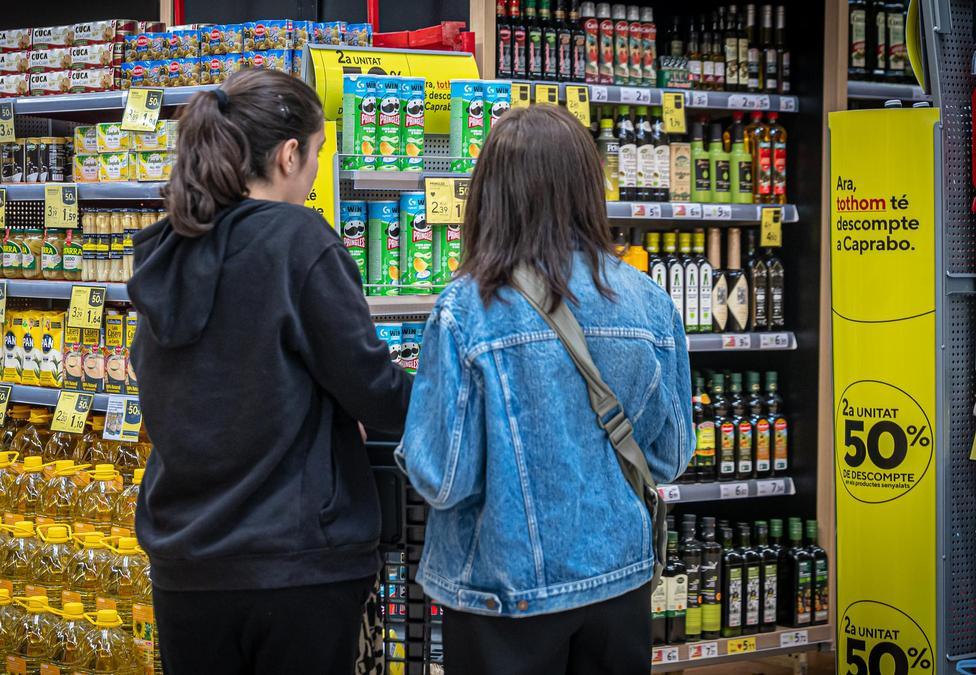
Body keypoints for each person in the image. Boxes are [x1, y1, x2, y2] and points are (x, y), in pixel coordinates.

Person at [127, 69, 413, 674]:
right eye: (314, 157)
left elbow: (179, 386)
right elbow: (374, 389)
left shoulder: (169, 249)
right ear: (289, 155)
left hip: (186, 564)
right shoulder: (298, 241)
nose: (312, 176)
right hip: (294, 561)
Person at [397, 104, 694, 674]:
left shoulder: (466, 310)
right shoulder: (648, 300)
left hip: (504, 594)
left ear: (490, 193)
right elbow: (670, 455)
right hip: (620, 583)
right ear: (587, 187)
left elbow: (443, 477)